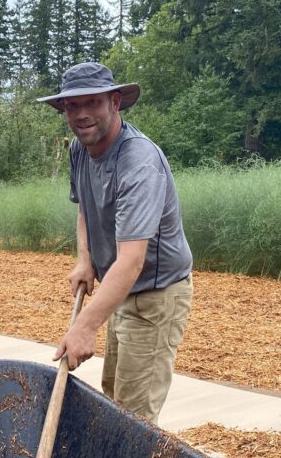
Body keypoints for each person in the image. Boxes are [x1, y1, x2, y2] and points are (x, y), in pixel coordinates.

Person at [37, 62, 193, 423]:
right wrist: (85, 260)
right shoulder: (80, 149)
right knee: (114, 398)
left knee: (134, 417)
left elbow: (132, 260)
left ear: (115, 102)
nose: (82, 115)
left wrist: (85, 326)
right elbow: (86, 209)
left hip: (156, 294)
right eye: (72, 106)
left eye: (92, 102)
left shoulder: (138, 163)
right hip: (121, 289)